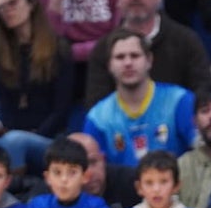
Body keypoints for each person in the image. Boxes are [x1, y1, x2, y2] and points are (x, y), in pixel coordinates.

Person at [0, 0, 74, 175]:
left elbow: (61, 110)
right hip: (9, 136)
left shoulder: (58, 48)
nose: (7, 10)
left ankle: (17, 194)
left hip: (49, 139)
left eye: (13, 2)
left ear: (31, 3)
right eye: (1, 6)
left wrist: (34, 134)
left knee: (16, 140)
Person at [85, 0, 211, 108]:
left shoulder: (186, 40)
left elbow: (203, 96)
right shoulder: (104, 48)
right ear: (117, 1)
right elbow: (96, 107)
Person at [83, 29, 196, 166]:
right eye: (120, 57)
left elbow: (202, 152)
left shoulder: (179, 101)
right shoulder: (98, 118)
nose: (128, 63)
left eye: (135, 56)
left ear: (149, 60)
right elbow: (93, 172)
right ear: (109, 65)